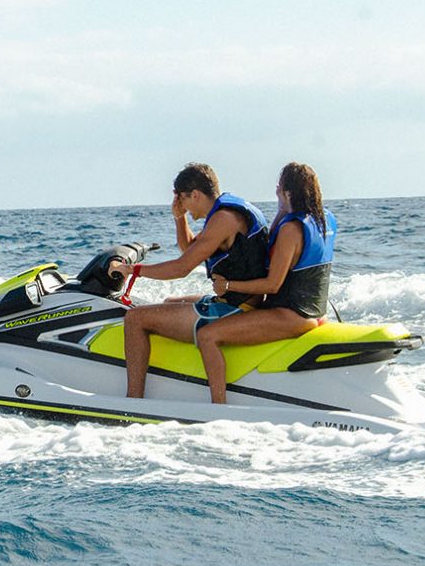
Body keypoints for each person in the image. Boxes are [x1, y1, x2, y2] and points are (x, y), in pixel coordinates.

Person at [109, 163, 269, 402]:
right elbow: (190, 251)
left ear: (195, 195)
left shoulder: (224, 219)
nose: (180, 204)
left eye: (181, 199)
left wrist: (131, 270)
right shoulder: (226, 213)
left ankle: (133, 401)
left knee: (135, 319)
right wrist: (179, 218)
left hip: (235, 308)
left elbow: (182, 267)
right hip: (236, 300)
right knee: (170, 301)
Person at [193, 162, 337, 403]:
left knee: (208, 335)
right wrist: (282, 211)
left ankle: (218, 408)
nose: (276, 190)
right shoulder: (325, 220)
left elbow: (272, 285)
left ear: (288, 193)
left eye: (279, 187)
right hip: (315, 312)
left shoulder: (291, 230)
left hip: (291, 315)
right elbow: (281, 252)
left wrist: (228, 286)